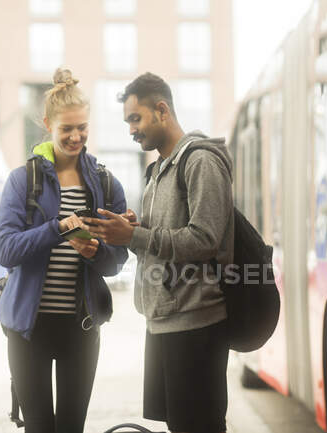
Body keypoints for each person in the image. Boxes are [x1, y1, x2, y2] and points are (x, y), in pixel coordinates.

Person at [87, 72, 234, 433]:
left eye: (135, 118)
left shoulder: (200, 162)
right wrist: (131, 232)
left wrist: (137, 236)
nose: (131, 130)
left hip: (196, 324)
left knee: (198, 426)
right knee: (178, 426)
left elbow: (205, 239)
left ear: (162, 110)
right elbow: (160, 244)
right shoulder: (156, 171)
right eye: (128, 122)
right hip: (164, 321)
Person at [0, 68, 129, 433]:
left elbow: (117, 262)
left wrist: (96, 252)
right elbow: (4, 250)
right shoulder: (23, 181)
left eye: (82, 127)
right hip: (28, 331)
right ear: (47, 124)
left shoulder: (104, 182)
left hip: (80, 329)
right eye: (66, 129)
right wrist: (57, 228)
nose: (75, 136)